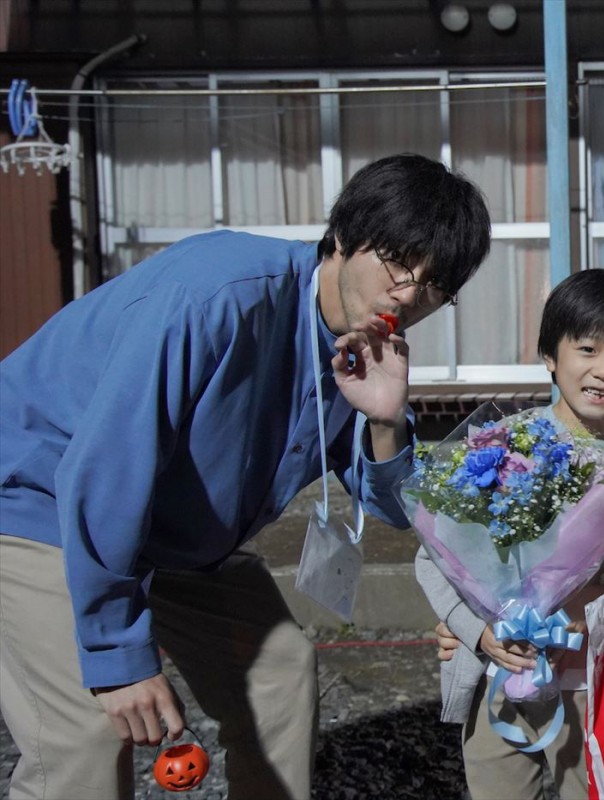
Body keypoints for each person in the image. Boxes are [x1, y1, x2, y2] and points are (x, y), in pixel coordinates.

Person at [0, 153, 491, 800]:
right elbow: (107, 468)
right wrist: (116, 655)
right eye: (398, 262)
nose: (408, 294)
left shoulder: (364, 354)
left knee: (279, 674)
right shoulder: (215, 294)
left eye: (435, 285)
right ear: (345, 235)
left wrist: (385, 420)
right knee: (87, 730)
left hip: (170, 539)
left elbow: (397, 510)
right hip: (37, 503)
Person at [418, 268, 604, 800]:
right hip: (498, 672)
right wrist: (476, 630)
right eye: (587, 348)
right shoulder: (497, 445)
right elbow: (435, 558)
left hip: (599, 685)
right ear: (549, 354)